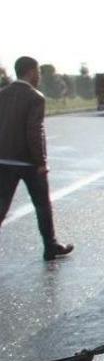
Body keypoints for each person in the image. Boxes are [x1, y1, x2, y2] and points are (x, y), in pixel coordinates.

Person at [0, 56, 74, 260]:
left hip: (3, 160)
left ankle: (51, 246)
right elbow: (35, 131)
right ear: (31, 72)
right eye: (38, 72)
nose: (39, 76)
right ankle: (50, 246)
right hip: (28, 162)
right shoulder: (35, 97)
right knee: (42, 205)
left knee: (1, 205)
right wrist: (41, 162)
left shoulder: (2, 94)